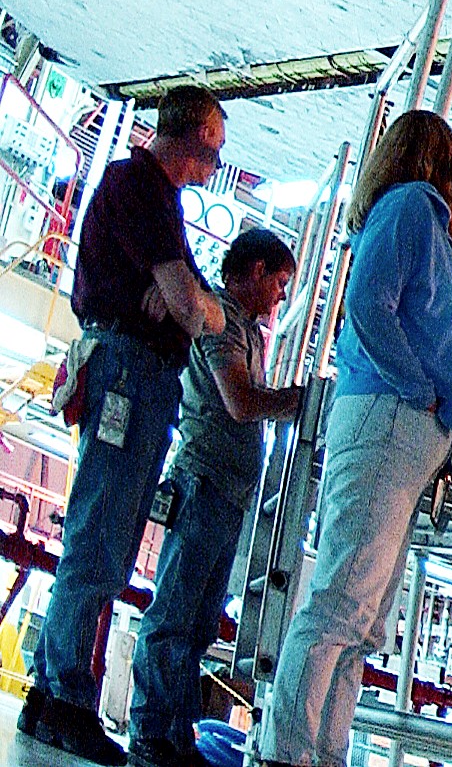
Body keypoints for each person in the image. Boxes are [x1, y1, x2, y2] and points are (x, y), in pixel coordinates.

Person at [257, 111, 452, 767]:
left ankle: (322, 749)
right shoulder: (412, 206)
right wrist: (418, 386)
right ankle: (289, 750)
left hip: (402, 423)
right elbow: (367, 304)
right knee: (342, 601)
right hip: (390, 415)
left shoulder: (425, 221)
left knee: (361, 615)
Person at [21, 86, 231, 767]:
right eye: (216, 145)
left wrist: (186, 300)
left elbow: (202, 307)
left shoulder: (146, 196)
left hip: (131, 370)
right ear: (198, 131)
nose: (217, 160)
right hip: (130, 373)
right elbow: (197, 313)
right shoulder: (140, 184)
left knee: (102, 533)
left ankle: (52, 690)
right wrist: (185, 302)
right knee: (102, 537)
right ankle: (65, 697)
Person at [130, 226, 303, 767]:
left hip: (224, 494)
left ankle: (173, 735)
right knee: (176, 615)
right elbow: (239, 400)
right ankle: (152, 731)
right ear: (256, 271)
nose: (280, 296)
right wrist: (295, 402)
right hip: (204, 485)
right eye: (279, 282)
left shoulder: (245, 331)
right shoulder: (222, 324)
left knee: (198, 621)